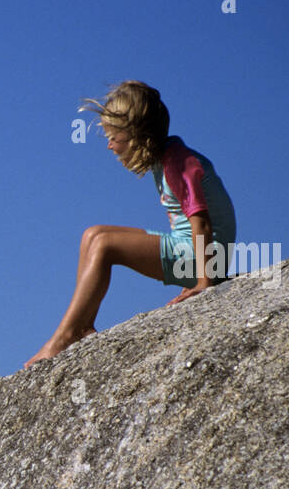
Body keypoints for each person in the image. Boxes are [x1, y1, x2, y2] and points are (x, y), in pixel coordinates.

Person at [25, 81, 236, 368]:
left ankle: (65, 336)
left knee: (105, 244)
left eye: (114, 137)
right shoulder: (168, 156)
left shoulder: (177, 162)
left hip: (205, 256)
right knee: (93, 234)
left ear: (137, 135)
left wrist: (204, 282)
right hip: (195, 251)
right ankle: (84, 324)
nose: (110, 145)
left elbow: (202, 223)